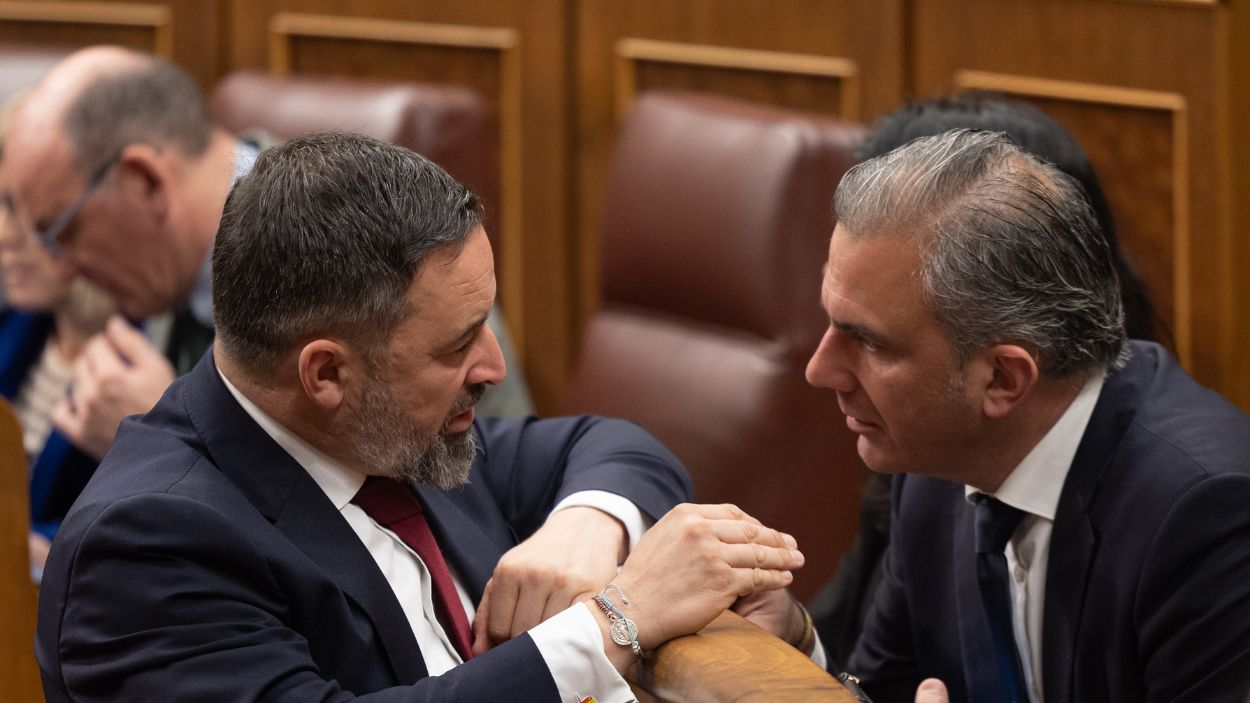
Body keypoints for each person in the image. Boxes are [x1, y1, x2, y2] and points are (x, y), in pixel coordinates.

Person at [35, 132, 806, 702]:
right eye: (458, 344)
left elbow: (609, 444)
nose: (496, 370)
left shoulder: (398, 434)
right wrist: (615, 619)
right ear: (327, 372)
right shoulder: (145, 546)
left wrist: (589, 525)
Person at [806, 129, 1250, 702]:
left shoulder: (1207, 518)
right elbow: (882, 687)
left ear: (1003, 378)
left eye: (867, 342)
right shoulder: (932, 471)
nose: (820, 371)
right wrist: (797, 640)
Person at [0, 47, 531, 467]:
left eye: (60, 232)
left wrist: (184, 434)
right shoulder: (158, 270)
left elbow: (480, 476)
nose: (63, 267)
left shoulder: (373, 235)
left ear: (145, 184)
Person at [0, 91, 116, 577]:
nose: (5, 234)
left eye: (29, 211)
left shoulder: (159, 352)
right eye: (3, 205)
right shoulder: (17, 319)